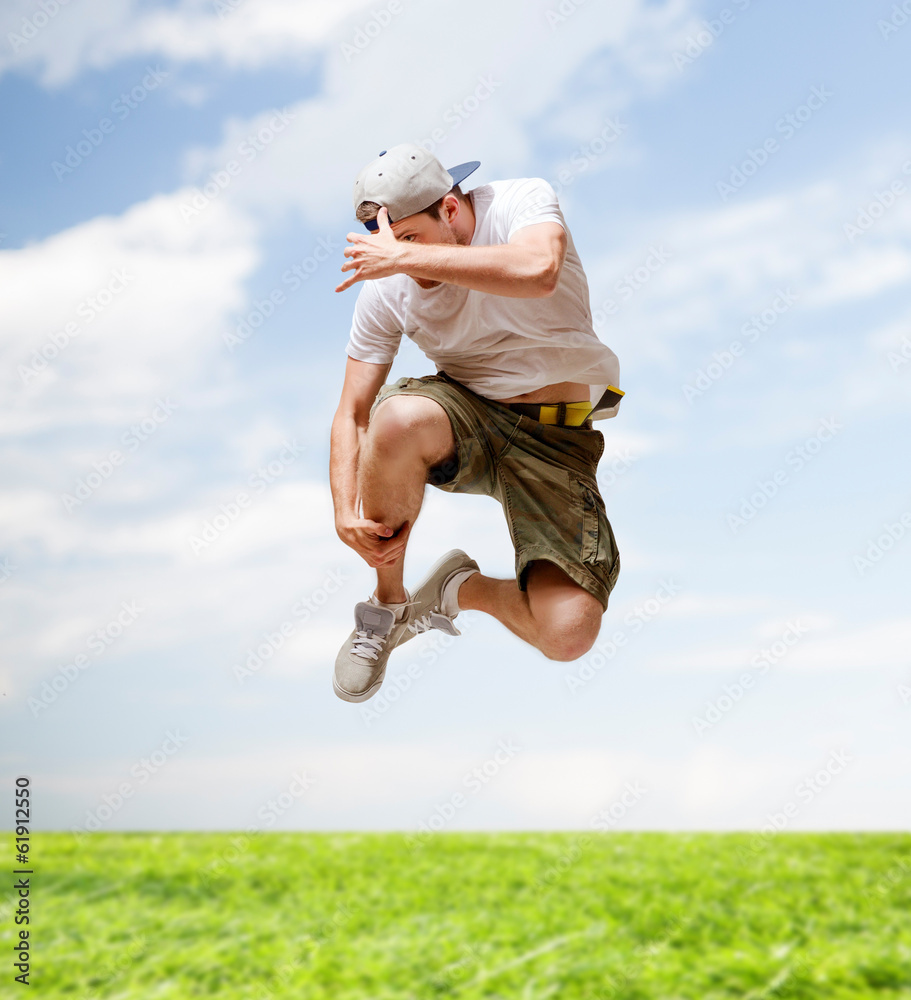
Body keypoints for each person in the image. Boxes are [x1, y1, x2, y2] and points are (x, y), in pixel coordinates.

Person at [330, 143, 623, 703]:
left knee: (568, 634)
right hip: (469, 419)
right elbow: (352, 413)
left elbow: (538, 270)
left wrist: (403, 260)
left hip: (556, 439)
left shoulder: (520, 202)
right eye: (385, 243)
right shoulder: (389, 284)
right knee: (394, 421)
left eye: (408, 239)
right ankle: (387, 606)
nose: (397, 258)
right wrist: (344, 509)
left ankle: (459, 588)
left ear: (450, 208)